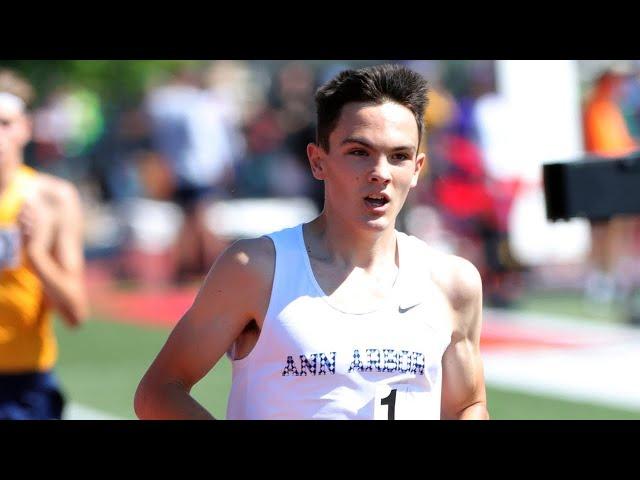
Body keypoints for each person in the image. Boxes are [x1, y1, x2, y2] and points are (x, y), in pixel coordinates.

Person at [135, 64, 489, 420]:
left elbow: (467, 406)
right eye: (359, 152)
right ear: (318, 162)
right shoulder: (256, 269)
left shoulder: (452, 283)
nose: (380, 172)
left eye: (398, 156)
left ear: (417, 168)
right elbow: (160, 390)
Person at [0, 69, 88, 420]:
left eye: (5, 123)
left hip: (25, 385)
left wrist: (35, 254)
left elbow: (75, 312)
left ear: (26, 128)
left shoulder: (51, 199)